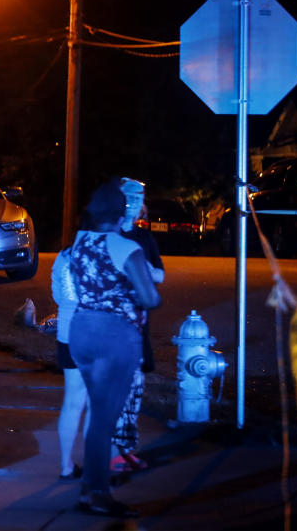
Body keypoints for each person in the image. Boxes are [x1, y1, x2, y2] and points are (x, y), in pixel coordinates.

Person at [68, 178, 160, 518]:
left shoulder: (79, 243)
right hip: (114, 335)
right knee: (104, 420)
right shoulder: (126, 248)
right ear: (122, 215)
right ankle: (98, 494)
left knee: (98, 415)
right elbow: (151, 297)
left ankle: (88, 488)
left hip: (82, 330)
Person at [110, 179, 164, 473]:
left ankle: (127, 448)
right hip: (113, 326)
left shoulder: (145, 238)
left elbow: (159, 275)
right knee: (117, 390)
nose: (133, 201)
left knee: (135, 391)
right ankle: (113, 453)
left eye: (138, 195)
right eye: (127, 195)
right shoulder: (108, 234)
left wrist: (141, 270)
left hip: (138, 324)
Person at [52, 239, 88, 481]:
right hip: (94, 332)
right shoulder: (102, 251)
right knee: (95, 404)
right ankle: (94, 462)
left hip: (66, 332)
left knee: (72, 401)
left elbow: (57, 294)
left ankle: (66, 465)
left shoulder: (63, 256)